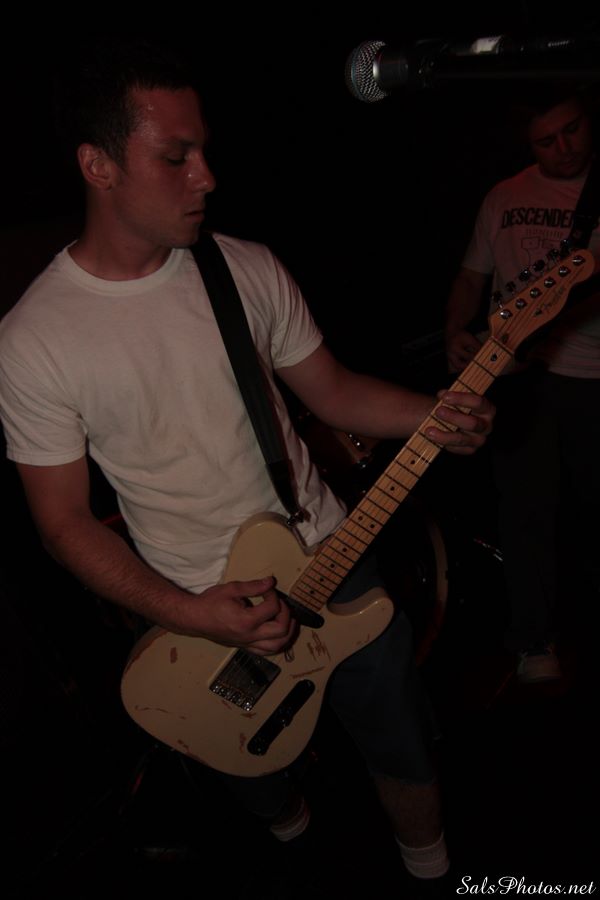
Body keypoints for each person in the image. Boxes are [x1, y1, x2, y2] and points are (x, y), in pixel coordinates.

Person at [0, 38, 494, 891]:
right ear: (97, 164)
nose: (207, 177)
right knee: (250, 766)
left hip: (330, 557)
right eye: (176, 156)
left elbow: (334, 392)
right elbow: (63, 523)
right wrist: (191, 613)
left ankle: (432, 869)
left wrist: (435, 414)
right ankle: (293, 831)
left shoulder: (244, 268)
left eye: (204, 150)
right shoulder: (33, 340)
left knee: (401, 742)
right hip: (193, 604)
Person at [445, 87, 600, 684]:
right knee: (524, 510)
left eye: (573, 129)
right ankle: (534, 641)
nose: (564, 147)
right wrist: (456, 330)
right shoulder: (503, 196)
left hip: (591, 374)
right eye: (546, 140)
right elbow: (470, 276)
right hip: (513, 375)